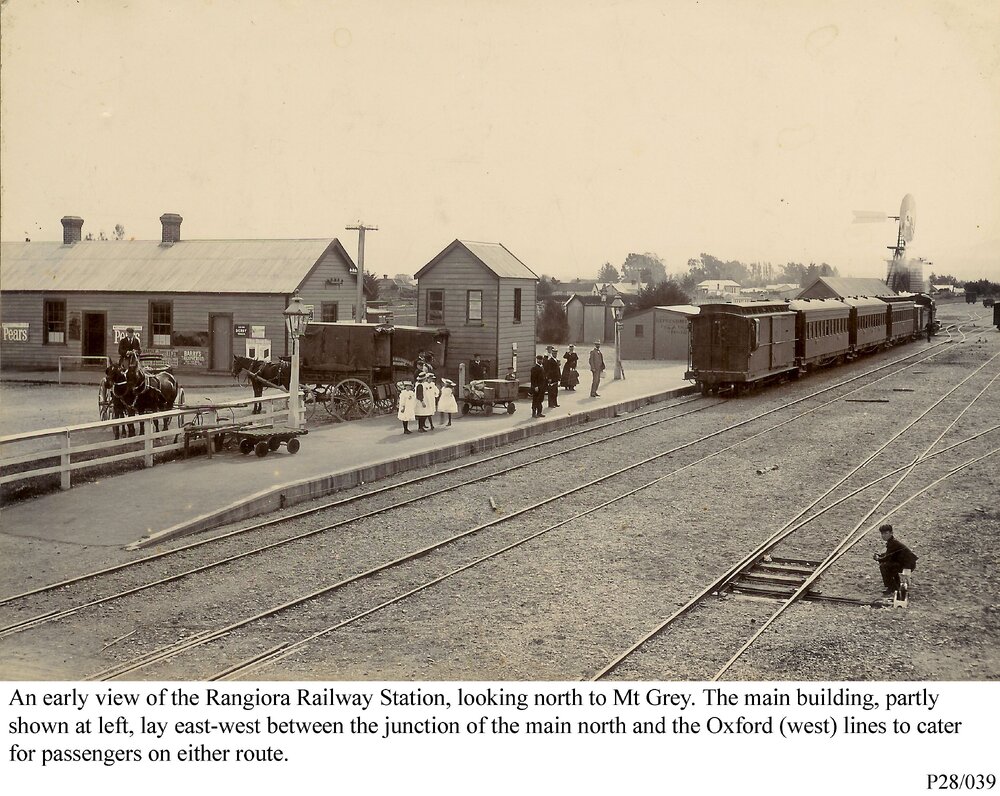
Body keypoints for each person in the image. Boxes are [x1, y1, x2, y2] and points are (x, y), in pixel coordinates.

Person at [873, 523, 918, 597]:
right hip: (905, 563)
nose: (884, 535)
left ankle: (891, 587)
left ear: (891, 533)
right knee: (889, 565)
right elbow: (890, 554)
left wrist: (878, 559)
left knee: (884, 566)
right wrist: (880, 556)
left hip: (907, 565)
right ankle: (895, 585)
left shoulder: (893, 543)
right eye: (882, 533)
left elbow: (888, 557)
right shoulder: (892, 542)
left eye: (886, 533)